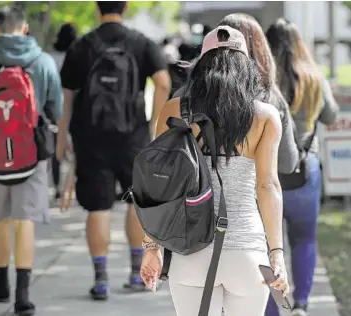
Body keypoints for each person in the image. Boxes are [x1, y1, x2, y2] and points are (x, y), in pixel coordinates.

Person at [140, 25, 289, 316]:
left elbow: (160, 183)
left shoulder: (174, 111)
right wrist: (277, 254)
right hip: (248, 252)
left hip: (191, 250)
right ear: (245, 66)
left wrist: (153, 247)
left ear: (201, 66)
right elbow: (268, 186)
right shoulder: (265, 117)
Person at [56, 1, 170, 300]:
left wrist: (63, 137)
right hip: (133, 137)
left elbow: (66, 98)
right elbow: (163, 83)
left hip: (90, 138)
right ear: (126, 7)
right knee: (136, 203)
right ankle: (135, 273)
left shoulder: (81, 46)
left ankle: (101, 279)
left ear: (97, 9)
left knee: (98, 208)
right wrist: (154, 129)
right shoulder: (142, 44)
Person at [0, 6, 62, 315]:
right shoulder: (42, 61)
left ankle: (1, 283)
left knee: (0, 219)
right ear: (25, 28)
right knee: (24, 220)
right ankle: (23, 295)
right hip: (31, 152)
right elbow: (55, 109)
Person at [265, 18, 339, 316]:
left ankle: (272, 309)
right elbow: (331, 116)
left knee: (268, 246)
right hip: (306, 173)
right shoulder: (312, 77)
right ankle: (301, 305)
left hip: (267, 175)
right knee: (304, 239)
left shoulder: (262, 78)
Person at [218, 13, 299, 175]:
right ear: (260, 49)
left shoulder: (188, 96)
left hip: (198, 196)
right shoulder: (271, 101)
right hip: (252, 196)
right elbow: (287, 163)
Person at [50, 23, 78, 202]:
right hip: (73, 105)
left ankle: (58, 186)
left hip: (54, 106)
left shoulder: (51, 56)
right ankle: (71, 184)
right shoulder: (77, 55)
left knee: (57, 148)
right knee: (75, 148)